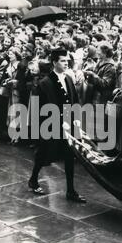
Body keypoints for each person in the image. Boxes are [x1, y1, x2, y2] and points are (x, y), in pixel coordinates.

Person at [28, 48, 86, 203]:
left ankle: (71, 190)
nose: (66, 63)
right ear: (54, 62)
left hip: (67, 124)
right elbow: (39, 109)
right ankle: (33, 179)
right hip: (51, 124)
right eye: (62, 61)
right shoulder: (44, 83)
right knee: (43, 154)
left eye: (67, 61)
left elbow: (74, 99)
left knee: (69, 156)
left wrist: (76, 118)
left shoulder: (68, 78)